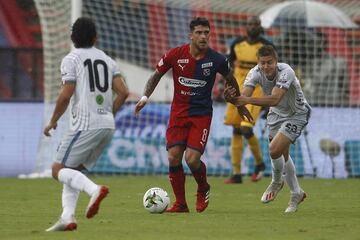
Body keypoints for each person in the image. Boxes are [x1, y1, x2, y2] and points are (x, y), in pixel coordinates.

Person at [134, 17, 252, 213]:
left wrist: (238, 103)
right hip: (178, 113)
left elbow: (230, 80)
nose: (203, 36)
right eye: (199, 32)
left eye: (206, 32)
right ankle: (181, 203)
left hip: (201, 115)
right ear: (191, 35)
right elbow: (156, 75)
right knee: (173, 157)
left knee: (192, 159)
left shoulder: (218, 59)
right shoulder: (175, 55)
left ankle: (203, 187)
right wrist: (145, 97)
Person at [43, 17, 129, 231]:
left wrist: (53, 120)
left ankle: (94, 190)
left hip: (85, 124)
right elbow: (124, 91)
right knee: (72, 171)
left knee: (57, 169)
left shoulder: (71, 59)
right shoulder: (107, 60)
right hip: (107, 124)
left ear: (72, 38)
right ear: (95, 37)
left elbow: (66, 94)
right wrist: (108, 113)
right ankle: (67, 217)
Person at [226, 45, 310, 213]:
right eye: (262, 63)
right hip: (275, 115)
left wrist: (244, 101)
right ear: (258, 62)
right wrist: (232, 99)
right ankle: (296, 194)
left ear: (276, 60)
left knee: (273, 150)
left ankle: (276, 182)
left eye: (269, 62)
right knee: (283, 154)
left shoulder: (286, 71)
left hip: (297, 113)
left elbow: (275, 99)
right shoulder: (255, 72)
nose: (266, 67)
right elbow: (245, 95)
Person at [224, 16, 271, 184]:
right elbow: (227, 67)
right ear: (246, 27)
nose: (252, 27)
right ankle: (237, 173)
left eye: (255, 24)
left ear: (260, 27)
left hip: (255, 91)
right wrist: (225, 87)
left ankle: (259, 163)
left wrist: (270, 96)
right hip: (237, 89)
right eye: (250, 24)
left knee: (246, 128)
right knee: (236, 130)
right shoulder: (236, 44)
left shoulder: (266, 46)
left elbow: (272, 71)